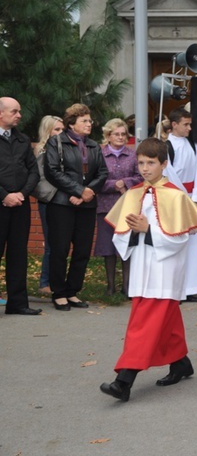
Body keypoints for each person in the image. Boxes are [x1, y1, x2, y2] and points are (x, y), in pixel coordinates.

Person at [99, 138, 197, 402]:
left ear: (164, 164)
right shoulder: (133, 194)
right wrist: (133, 232)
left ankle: (124, 380)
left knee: (143, 323)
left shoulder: (176, 196)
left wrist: (148, 230)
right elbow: (120, 236)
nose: (145, 168)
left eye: (151, 163)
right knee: (164, 320)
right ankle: (180, 363)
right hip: (141, 266)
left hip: (165, 268)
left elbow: (181, 238)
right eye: (141, 163)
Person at [45, 103, 108, 311]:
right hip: (62, 205)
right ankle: (59, 292)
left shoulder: (93, 145)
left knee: (82, 250)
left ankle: (72, 291)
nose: (89, 124)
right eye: (84, 120)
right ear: (71, 123)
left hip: (87, 205)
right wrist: (78, 191)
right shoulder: (56, 142)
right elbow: (52, 171)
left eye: (90, 120)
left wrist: (86, 193)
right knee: (60, 249)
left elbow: (102, 173)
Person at [162, 107, 197, 301]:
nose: (189, 128)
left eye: (190, 124)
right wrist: (180, 197)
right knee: (176, 244)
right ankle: (175, 288)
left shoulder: (193, 146)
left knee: (191, 245)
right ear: (174, 125)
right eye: (186, 124)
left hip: (191, 200)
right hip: (176, 200)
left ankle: (190, 287)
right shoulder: (166, 147)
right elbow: (168, 174)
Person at [0, 97, 42, 315]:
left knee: (18, 255)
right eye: (14, 111)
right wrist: (5, 195)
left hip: (20, 205)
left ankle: (17, 303)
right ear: (1, 114)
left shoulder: (22, 140)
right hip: (1, 204)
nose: (19, 115)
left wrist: (21, 194)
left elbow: (33, 171)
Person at [94, 119, 141, 296]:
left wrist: (125, 182)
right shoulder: (100, 154)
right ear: (108, 136)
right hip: (106, 206)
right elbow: (96, 180)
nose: (121, 137)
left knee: (126, 246)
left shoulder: (133, 155)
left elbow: (139, 177)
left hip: (127, 206)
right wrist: (115, 185)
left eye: (123, 134)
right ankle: (110, 286)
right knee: (108, 247)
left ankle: (127, 286)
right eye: (116, 134)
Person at [33, 115, 65, 295]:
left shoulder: (63, 147)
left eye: (62, 129)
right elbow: (41, 179)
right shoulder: (43, 151)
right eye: (56, 129)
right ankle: (45, 282)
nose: (60, 133)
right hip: (50, 201)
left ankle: (54, 281)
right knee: (51, 243)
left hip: (61, 200)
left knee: (59, 243)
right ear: (47, 131)